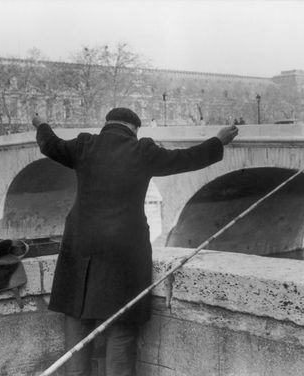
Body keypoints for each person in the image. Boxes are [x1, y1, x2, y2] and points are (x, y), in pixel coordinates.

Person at [32, 108, 238, 376]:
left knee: (77, 322)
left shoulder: (84, 145)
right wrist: (218, 141)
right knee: (121, 327)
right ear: (134, 129)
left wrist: (42, 124)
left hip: (79, 247)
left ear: (107, 124)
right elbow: (187, 159)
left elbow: (50, 144)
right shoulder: (142, 151)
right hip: (124, 252)